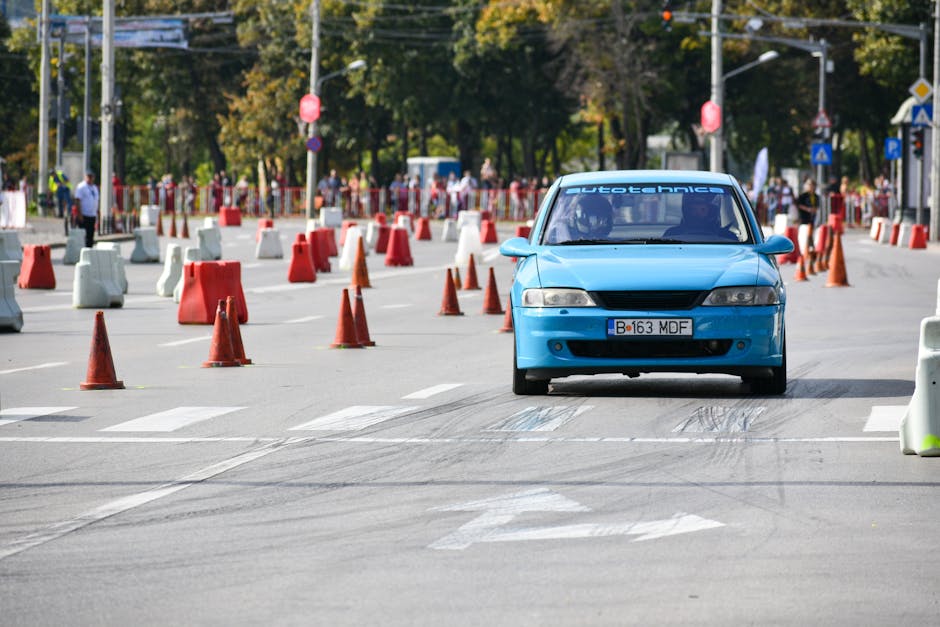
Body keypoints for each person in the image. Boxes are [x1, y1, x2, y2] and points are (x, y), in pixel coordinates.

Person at [663, 192, 735, 240]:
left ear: (711, 211)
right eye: (693, 209)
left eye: (702, 209)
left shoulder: (727, 237)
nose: (697, 213)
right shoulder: (672, 234)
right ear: (687, 211)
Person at [73, 170, 99, 249]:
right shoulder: (81, 187)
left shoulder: (94, 188)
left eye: (91, 177)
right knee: (83, 235)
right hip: (84, 215)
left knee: (90, 235)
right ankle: (82, 251)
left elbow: (96, 201)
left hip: (92, 214)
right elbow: (78, 200)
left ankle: (89, 251)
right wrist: (79, 214)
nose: (90, 178)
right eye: (88, 176)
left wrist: (98, 213)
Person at [795, 177, 820, 253]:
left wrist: (815, 209)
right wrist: (808, 209)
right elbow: (799, 204)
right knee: (804, 232)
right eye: (809, 185)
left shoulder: (816, 196)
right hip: (804, 217)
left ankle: (811, 247)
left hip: (813, 217)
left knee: (812, 232)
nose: (811, 187)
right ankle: (805, 247)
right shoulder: (803, 195)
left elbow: (817, 206)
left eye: (812, 185)